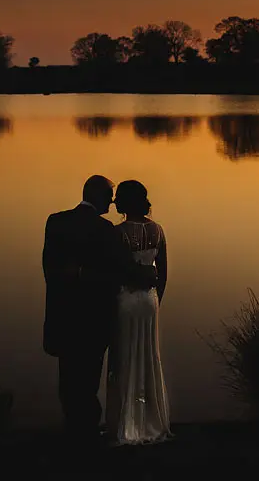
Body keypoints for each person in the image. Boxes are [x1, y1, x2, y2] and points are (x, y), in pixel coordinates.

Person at [42, 175, 120, 444]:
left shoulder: (56, 222)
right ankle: (86, 431)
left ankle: (72, 426)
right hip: (93, 318)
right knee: (88, 379)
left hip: (63, 313)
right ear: (97, 197)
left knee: (67, 376)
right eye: (109, 197)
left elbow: (49, 270)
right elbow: (111, 278)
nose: (111, 202)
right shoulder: (106, 230)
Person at [105, 179, 172, 445]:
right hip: (149, 302)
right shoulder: (158, 230)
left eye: (118, 197)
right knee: (147, 355)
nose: (114, 202)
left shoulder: (117, 233)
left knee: (125, 357)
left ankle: (126, 424)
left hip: (127, 300)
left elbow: (114, 272)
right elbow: (163, 273)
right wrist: (156, 299)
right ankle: (149, 421)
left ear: (125, 201)